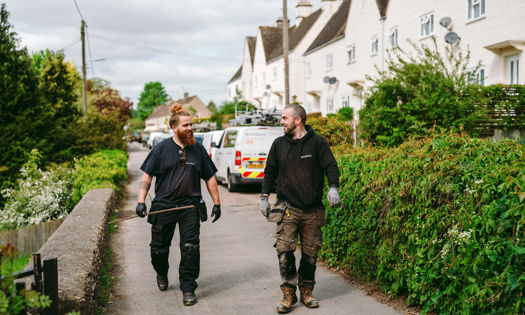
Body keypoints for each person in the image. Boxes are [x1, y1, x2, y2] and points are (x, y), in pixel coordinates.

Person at [136, 103, 221, 306]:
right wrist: (140, 201)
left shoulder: (198, 149)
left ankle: (188, 287)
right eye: (185, 125)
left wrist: (217, 203)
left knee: (190, 248)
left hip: (190, 207)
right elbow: (147, 176)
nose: (190, 128)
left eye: (191, 124)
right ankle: (162, 273)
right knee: (158, 249)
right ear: (174, 127)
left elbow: (210, 177)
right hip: (164, 206)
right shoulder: (161, 149)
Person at [260, 104, 340, 314]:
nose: (281, 121)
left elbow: (331, 166)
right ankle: (288, 293)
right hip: (287, 208)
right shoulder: (279, 144)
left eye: (285, 118)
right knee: (284, 252)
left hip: (313, 209)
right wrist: (264, 196)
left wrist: (333, 188)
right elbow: (269, 171)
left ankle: (306, 290)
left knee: (310, 253)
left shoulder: (318, 143)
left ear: (298, 120)